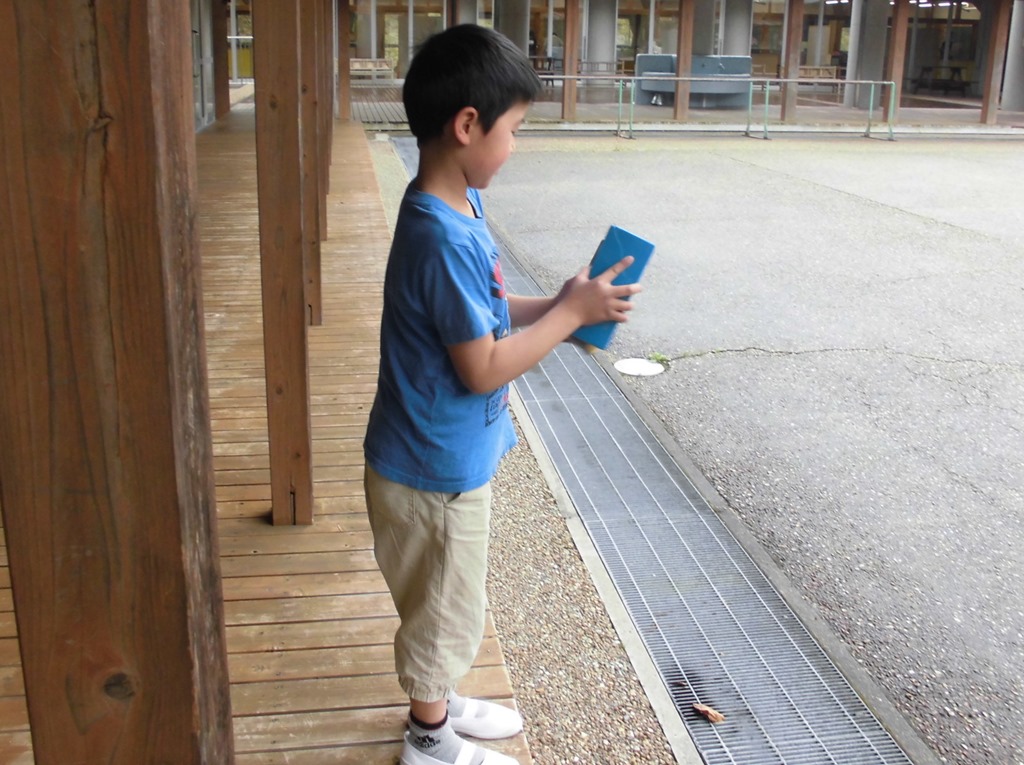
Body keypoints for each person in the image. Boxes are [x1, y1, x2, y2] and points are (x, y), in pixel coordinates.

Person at [363, 24, 641, 765]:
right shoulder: (443, 235)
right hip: (430, 472)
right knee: (441, 607)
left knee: (449, 594)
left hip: (436, 459)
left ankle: (441, 699)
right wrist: (567, 318)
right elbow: (483, 366)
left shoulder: (453, 206)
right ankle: (429, 737)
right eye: (513, 130)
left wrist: (557, 305)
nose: (516, 146)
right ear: (467, 125)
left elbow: (480, 314)